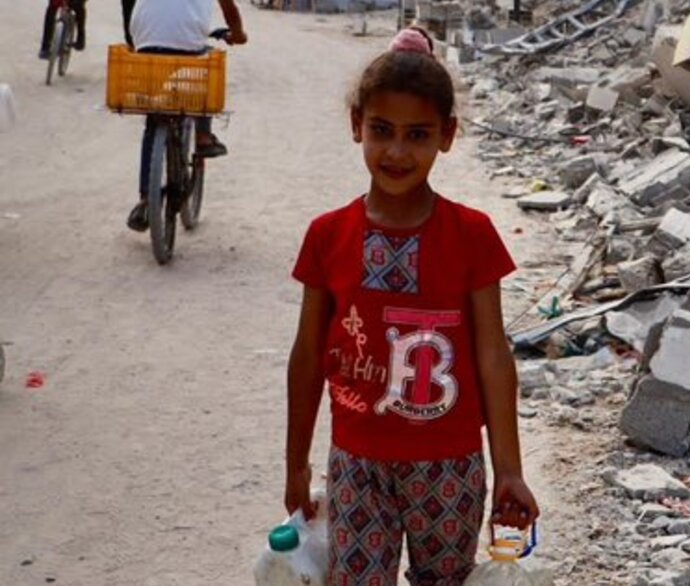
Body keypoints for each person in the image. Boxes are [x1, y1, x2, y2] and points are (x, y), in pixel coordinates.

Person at [284, 27, 540, 585]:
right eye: (382, 131)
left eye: (417, 135)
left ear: (447, 136)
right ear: (357, 126)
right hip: (356, 463)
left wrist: (510, 471)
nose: (397, 152)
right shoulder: (328, 236)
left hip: (449, 467)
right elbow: (307, 357)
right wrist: (296, 463)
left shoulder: (473, 236)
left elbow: (493, 355)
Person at [125, 0, 246, 231]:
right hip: (186, 45)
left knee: (153, 120)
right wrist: (239, 35)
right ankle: (203, 135)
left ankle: (145, 200)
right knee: (204, 70)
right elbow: (230, 9)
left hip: (145, 41)